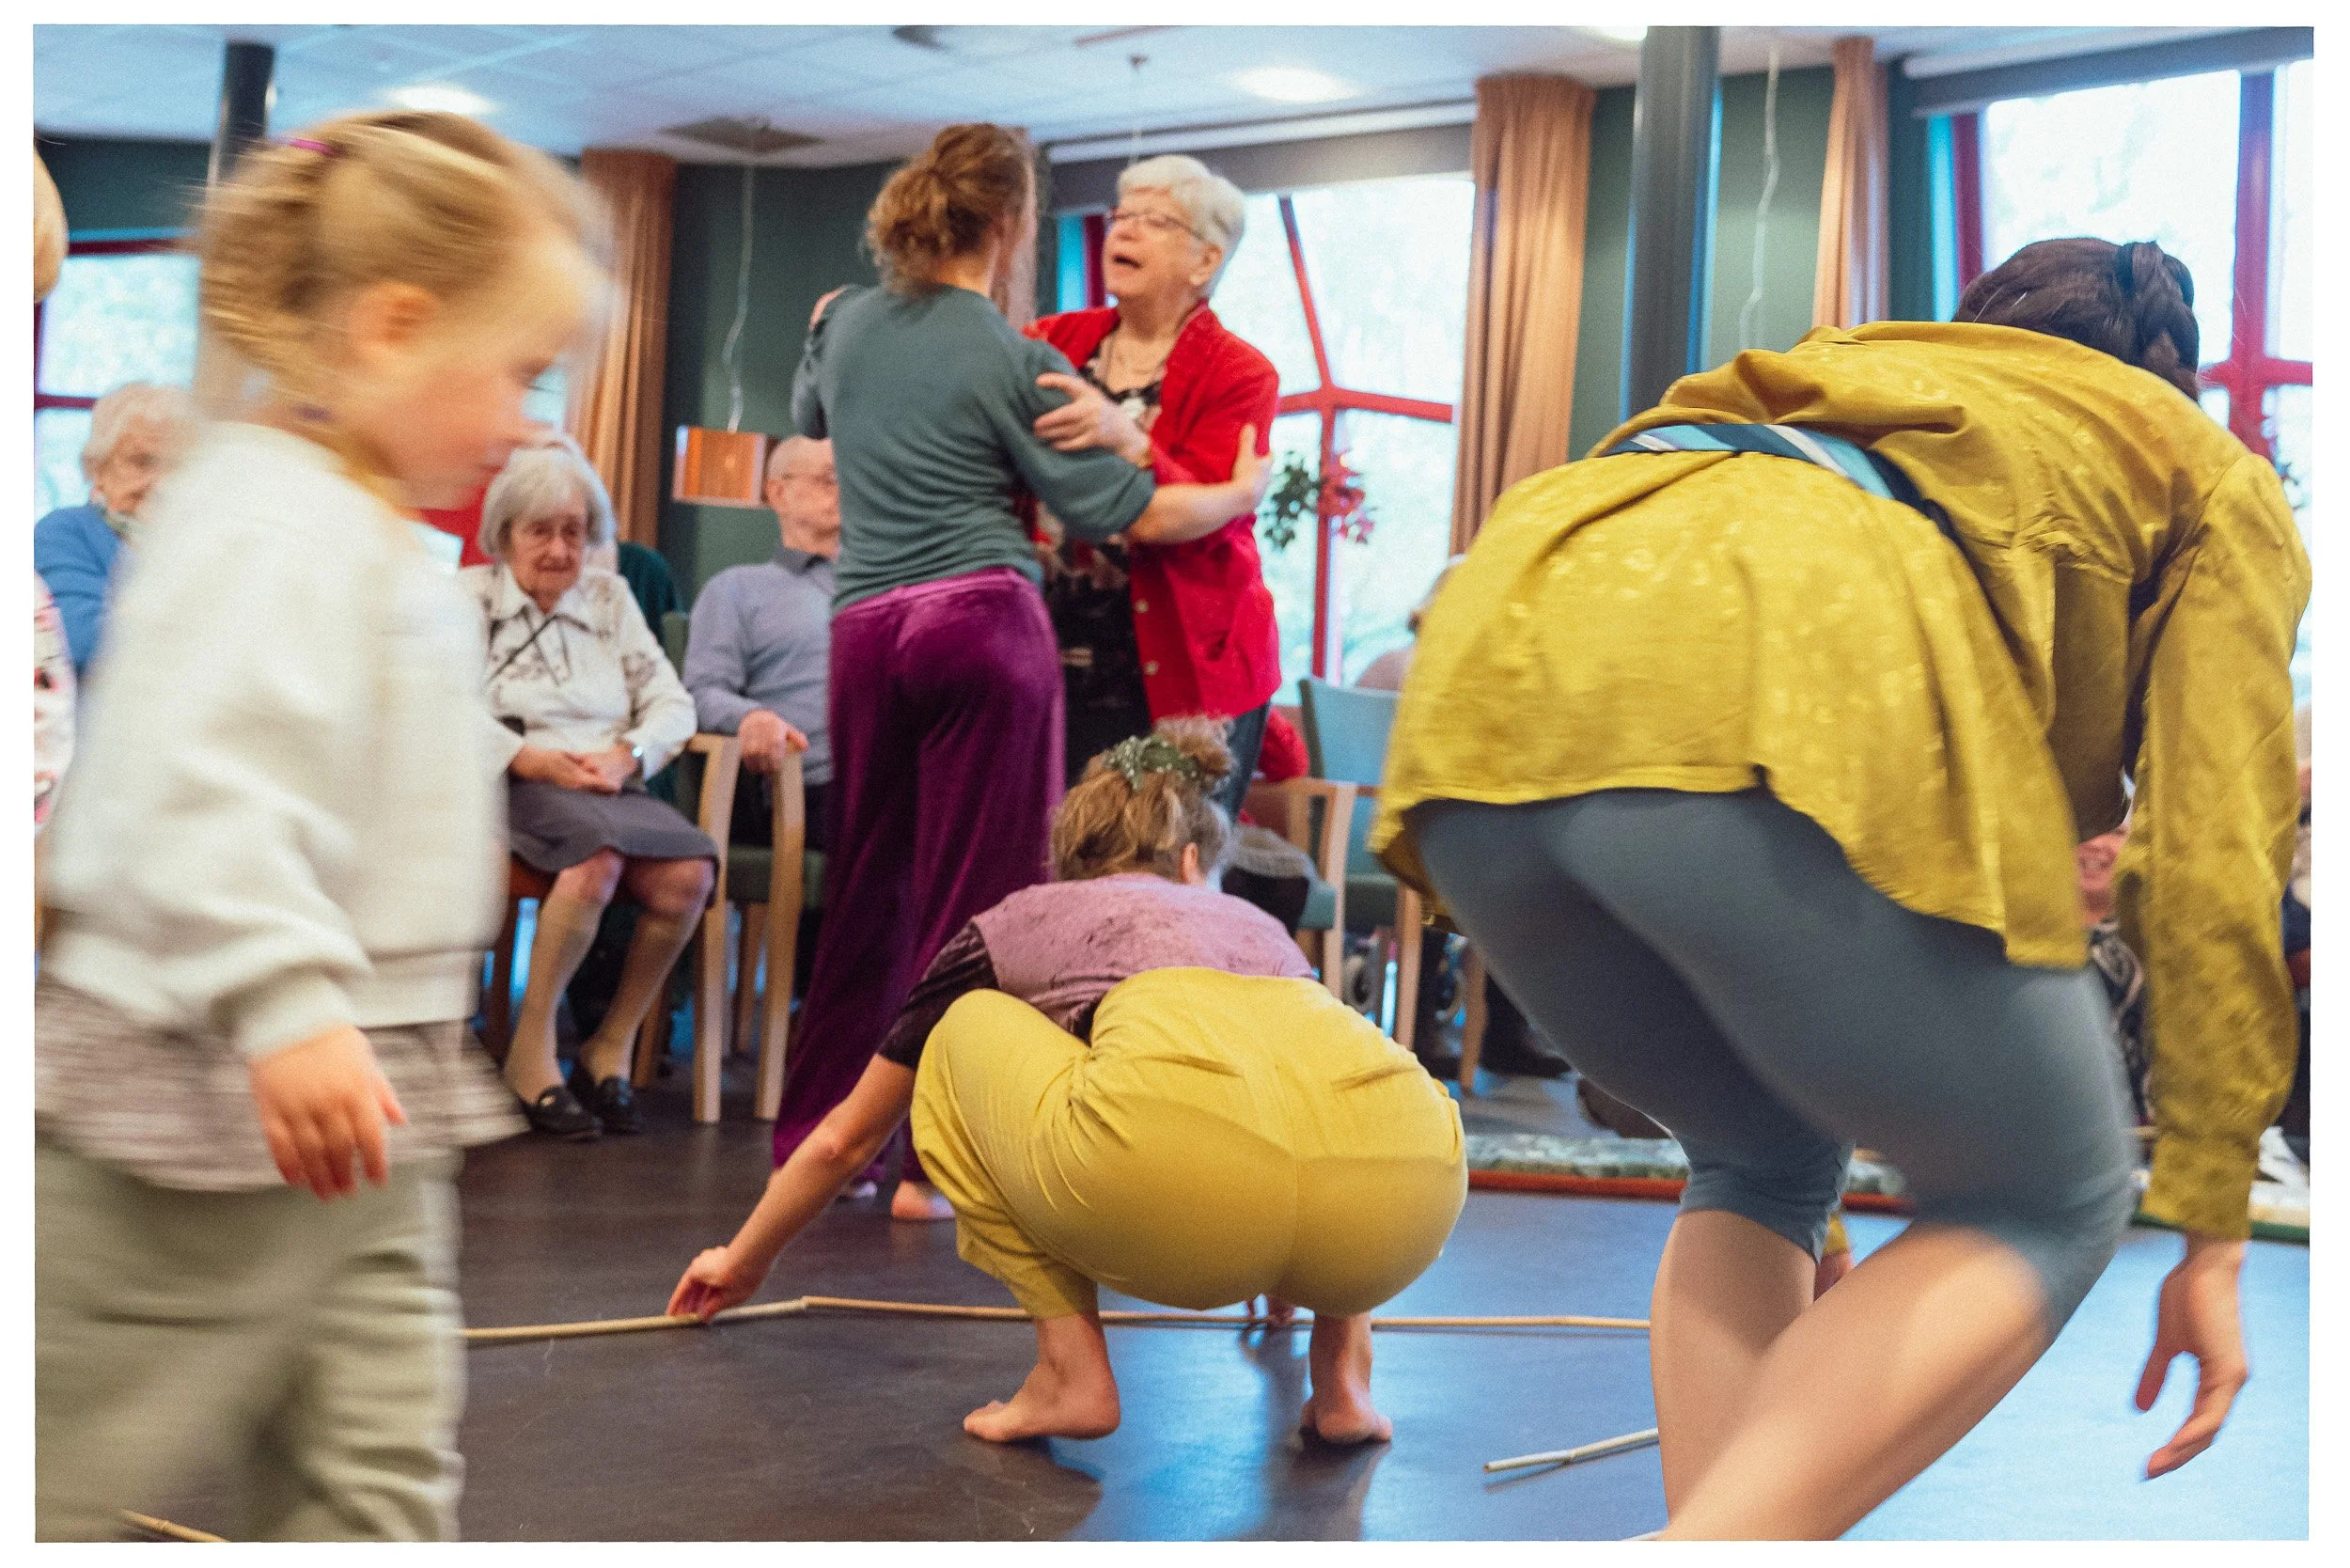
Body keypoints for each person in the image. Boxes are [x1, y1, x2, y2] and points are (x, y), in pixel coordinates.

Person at [1374, 238, 2307, 1537]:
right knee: (2045, 1193)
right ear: (2172, 374)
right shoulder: (2202, 466)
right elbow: (2215, 854)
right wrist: (2209, 1223)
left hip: (1492, 665)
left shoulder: (1857, 369)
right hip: (1776, 669)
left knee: (1759, 1157)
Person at [34, 110, 602, 1540]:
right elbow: (194, 782)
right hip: (210, 1082)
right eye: (520, 371)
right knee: (64, 1442)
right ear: (393, 329)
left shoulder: (373, 532)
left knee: (379, 1467)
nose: (531, 418)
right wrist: (285, 1000)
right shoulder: (260, 516)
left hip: (378, 1087)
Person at [667, 720, 1465, 1445]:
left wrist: (742, 1260)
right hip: (1406, 1198)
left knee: (965, 1026)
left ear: (1070, 859)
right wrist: (1298, 1251)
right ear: (1193, 861)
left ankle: (1070, 1373)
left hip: (1181, 1200)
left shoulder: (1019, 919)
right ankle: (1344, 1387)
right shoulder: (1260, 928)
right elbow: (1301, 1098)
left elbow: (847, 1140)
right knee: (1332, 1065)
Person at [779, 122, 1269, 1222]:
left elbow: (809, 413)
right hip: (980, 627)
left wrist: (822, 331)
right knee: (979, 903)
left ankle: (815, 1144)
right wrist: (1234, 494)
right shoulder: (1023, 352)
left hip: (864, 630)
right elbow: (1116, 511)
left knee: (866, 887)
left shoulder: (848, 320)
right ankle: (935, 1165)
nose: (1128, 230)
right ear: (1007, 229)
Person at [463, 441, 716, 1140]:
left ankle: (609, 1045)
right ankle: (534, 1053)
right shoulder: (470, 599)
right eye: (539, 531)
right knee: (596, 859)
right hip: (513, 780)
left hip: (605, 779)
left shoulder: (611, 599)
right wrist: (529, 759)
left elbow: (671, 701)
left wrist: (628, 754)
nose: (557, 549)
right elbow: (441, 704)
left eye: (573, 532)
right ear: (505, 534)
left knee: (689, 873)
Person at [1026, 155, 1282, 819]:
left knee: (1166, 867)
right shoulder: (1049, 341)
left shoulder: (1240, 373)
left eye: (1154, 220)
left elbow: (1179, 517)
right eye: (1121, 216)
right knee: (1054, 858)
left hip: (1186, 661)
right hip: (1053, 650)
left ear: (1204, 262)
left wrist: (1129, 437)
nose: (1125, 231)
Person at [33, 381, 197, 678]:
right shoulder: (63, 532)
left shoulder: (197, 540)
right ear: (97, 468)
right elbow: (83, 641)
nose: (160, 483)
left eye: (177, 466)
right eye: (141, 462)